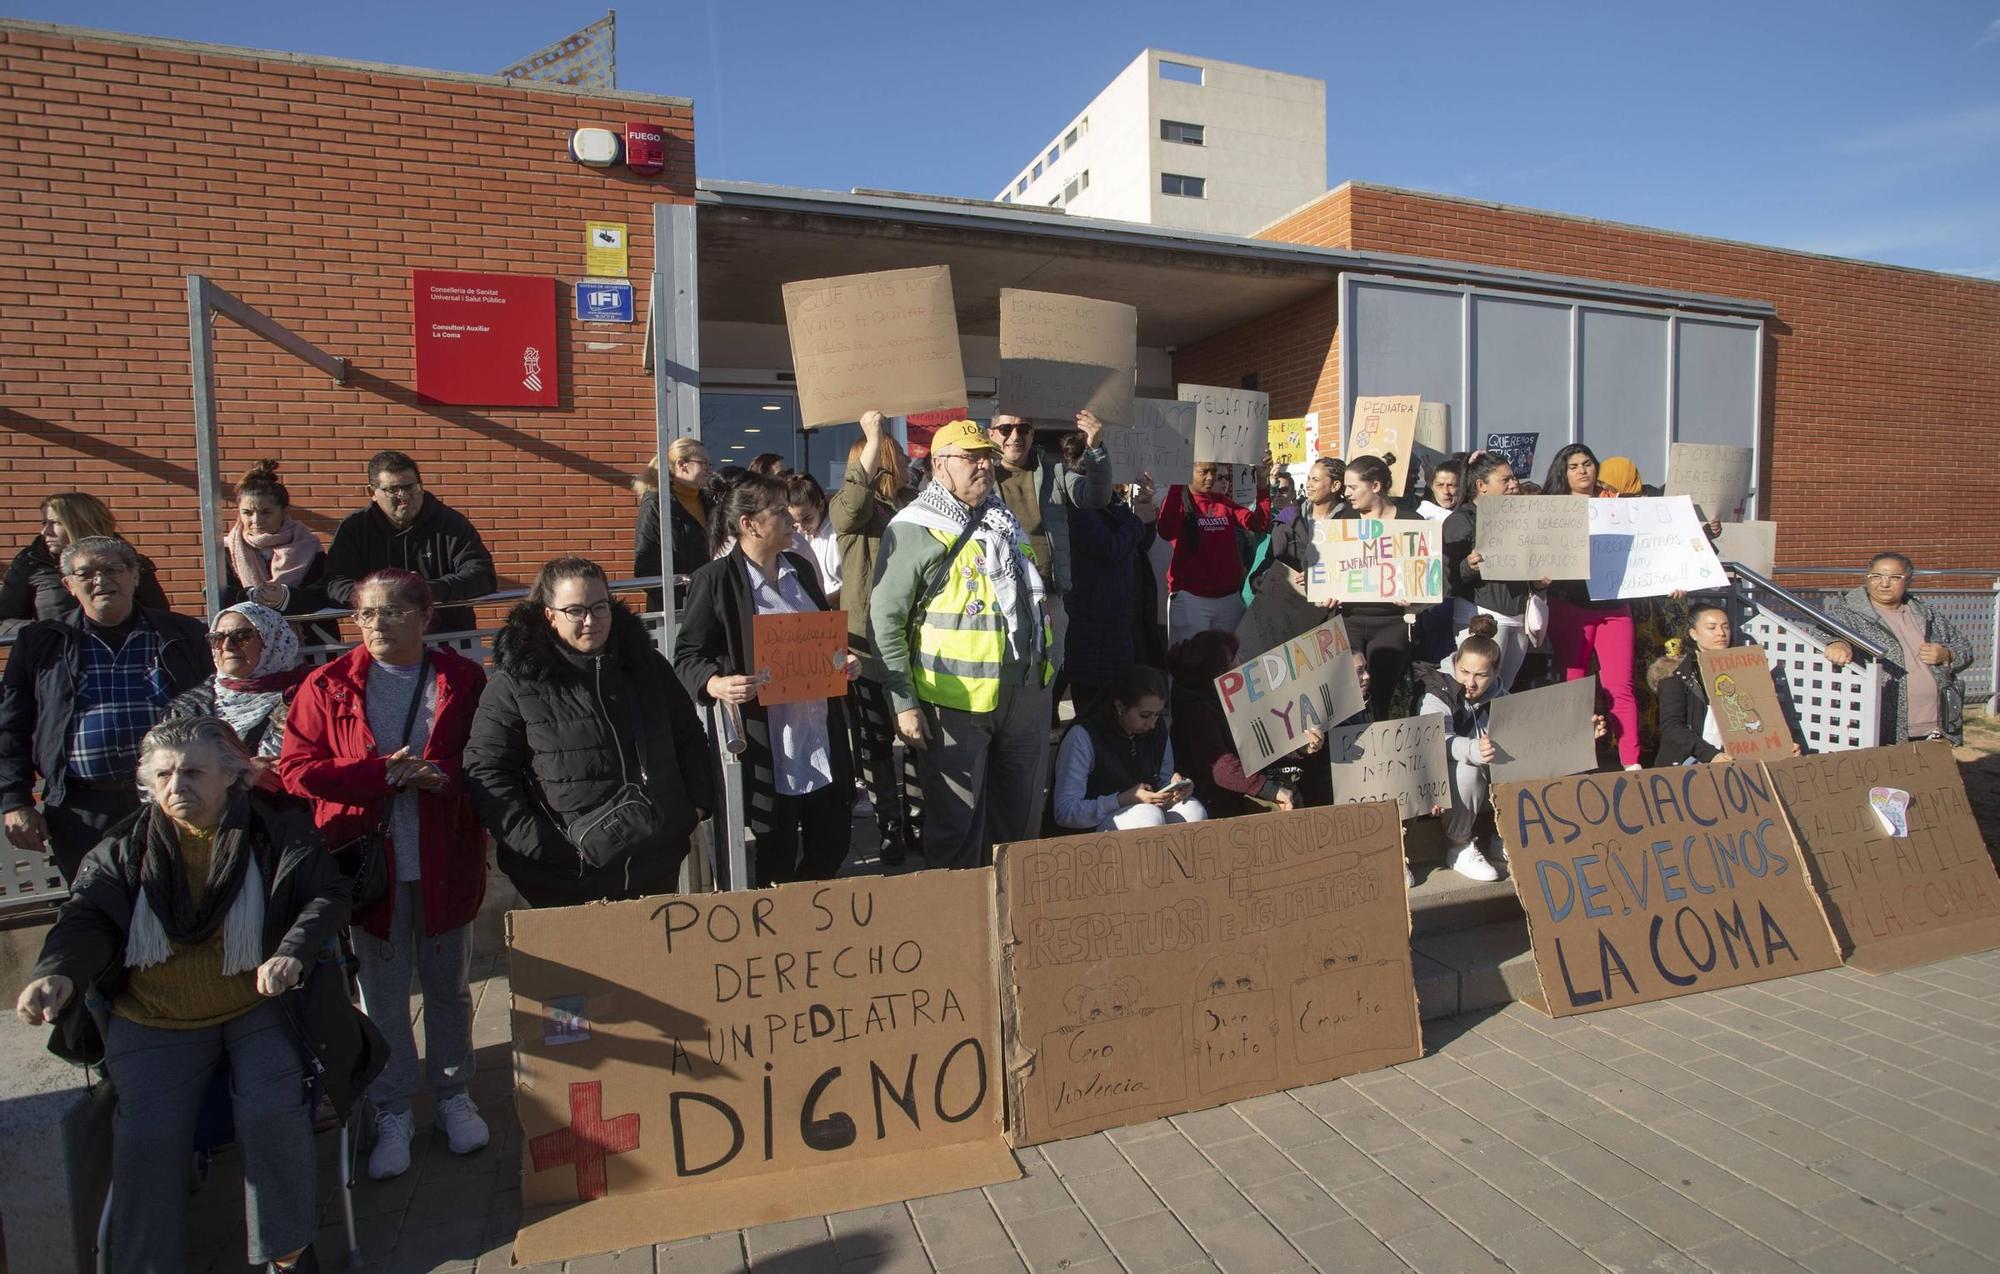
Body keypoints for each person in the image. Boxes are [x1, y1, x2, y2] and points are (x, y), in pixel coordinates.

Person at [15, 715, 356, 1274]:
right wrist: (58, 973)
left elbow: (326, 895)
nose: (178, 787)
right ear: (148, 782)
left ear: (232, 777)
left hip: (256, 1004)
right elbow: (85, 917)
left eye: (194, 772)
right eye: (165, 774)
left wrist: (291, 949)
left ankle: (287, 1255)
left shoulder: (277, 832)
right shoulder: (123, 848)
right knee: (147, 1136)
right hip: (156, 1016)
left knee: (272, 1114)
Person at [278, 568, 489, 1181]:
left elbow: (488, 756)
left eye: (393, 611)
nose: (377, 623)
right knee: (384, 993)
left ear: (425, 617)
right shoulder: (329, 684)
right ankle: (392, 1106)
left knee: (448, 984)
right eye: (367, 613)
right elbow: (297, 769)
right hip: (369, 865)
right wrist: (378, 775)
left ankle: (454, 1093)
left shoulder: (461, 678)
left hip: (444, 856)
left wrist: (440, 774)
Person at [468, 557, 717, 906]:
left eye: (600, 607)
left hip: (655, 864)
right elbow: (488, 770)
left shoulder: (648, 667)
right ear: (549, 614)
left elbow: (689, 736)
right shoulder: (514, 684)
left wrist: (694, 808)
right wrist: (540, 845)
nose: (590, 620)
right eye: (575, 610)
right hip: (563, 877)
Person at [870, 420, 1053, 870]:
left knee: (1020, 823)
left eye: (987, 456)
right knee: (957, 829)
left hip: (1024, 694)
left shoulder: (1002, 517)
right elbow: (885, 620)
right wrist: (903, 704)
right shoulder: (913, 526)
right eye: (971, 457)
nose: (984, 465)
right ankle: (961, 927)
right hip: (954, 703)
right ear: (938, 464)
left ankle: (1014, 921)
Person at [676, 475, 856, 885]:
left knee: (832, 844)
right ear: (749, 524)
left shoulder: (802, 570)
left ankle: (814, 913)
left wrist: (842, 661)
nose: (791, 517)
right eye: (778, 511)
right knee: (774, 856)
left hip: (820, 735)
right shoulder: (716, 580)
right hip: (771, 742)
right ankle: (783, 931)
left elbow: (822, 639)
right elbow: (687, 656)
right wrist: (715, 683)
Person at [0, 536, 212, 882]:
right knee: (95, 910)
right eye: (87, 573)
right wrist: (15, 801)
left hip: (172, 797)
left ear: (134, 576)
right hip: (81, 809)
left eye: (113, 569)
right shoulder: (41, 641)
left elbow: (217, 708)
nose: (101, 581)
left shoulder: (183, 634)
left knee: (182, 903)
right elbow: (11, 726)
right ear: (68, 584)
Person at [1419, 617, 1608, 882]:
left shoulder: (1502, 697)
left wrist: (1583, 736)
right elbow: (1436, 739)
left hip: (1490, 787)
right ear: (1455, 665)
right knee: (1467, 768)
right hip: (1451, 786)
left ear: (1495, 673)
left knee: (1523, 752)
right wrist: (1472, 748)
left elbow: (1539, 740)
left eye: (1481, 675)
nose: (1470, 683)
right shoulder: (1437, 694)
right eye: (1464, 672)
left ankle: (1503, 835)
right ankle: (1458, 846)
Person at [831, 412, 923, 865]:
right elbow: (850, 502)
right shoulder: (855, 514)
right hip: (867, 647)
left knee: (918, 735)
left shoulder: (915, 505)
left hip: (914, 642)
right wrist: (872, 436)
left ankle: (919, 818)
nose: (908, 459)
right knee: (876, 742)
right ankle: (890, 825)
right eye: (899, 452)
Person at [988, 409, 1113, 676]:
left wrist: (1096, 448)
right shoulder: (981, 476)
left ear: (1032, 435)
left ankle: (1044, 718)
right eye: (1005, 429)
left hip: (1048, 594)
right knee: (1003, 676)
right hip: (997, 595)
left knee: (1048, 676)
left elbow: (1095, 497)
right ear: (991, 435)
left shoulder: (1054, 471)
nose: (1015, 436)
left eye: (1023, 429)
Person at [1540, 443, 1641, 769]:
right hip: (1570, 606)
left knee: (1620, 687)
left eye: (1587, 463)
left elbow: (1648, 549)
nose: (1582, 470)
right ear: (1562, 472)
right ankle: (1576, 761)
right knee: (1574, 687)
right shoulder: (1550, 507)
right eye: (1574, 466)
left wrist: (1670, 581)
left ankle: (1632, 764)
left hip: (1614, 607)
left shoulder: (1616, 504)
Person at [323, 451, 496, 635]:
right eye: (393, 489)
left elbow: (482, 576)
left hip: (448, 639)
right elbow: (334, 583)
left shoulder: (450, 523)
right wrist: (382, 595)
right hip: (384, 640)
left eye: (410, 487)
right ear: (372, 492)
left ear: (420, 485)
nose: (403, 496)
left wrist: (427, 590)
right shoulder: (355, 528)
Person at [1821, 553, 1976, 744]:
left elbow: (1965, 649)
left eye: (1895, 577)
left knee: (1933, 773)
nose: (1884, 584)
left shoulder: (1927, 614)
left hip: (1936, 724)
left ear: (1909, 581)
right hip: (1882, 725)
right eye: (1876, 576)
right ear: (1867, 578)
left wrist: (1948, 654)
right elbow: (1823, 633)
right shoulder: (1847, 614)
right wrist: (1836, 643)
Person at [1062, 439, 1156, 718]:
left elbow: (1138, 544)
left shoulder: (1113, 501)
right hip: (1091, 620)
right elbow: (1109, 548)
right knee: (1092, 709)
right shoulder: (1078, 503)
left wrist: (1144, 507)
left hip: (1118, 619)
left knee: (1115, 706)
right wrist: (1137, 521)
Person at [1052, 664, 1205, 832]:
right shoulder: (1083, 736)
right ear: (1120, 707)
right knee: (1149, 817)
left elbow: (1163, 778)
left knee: (1193, 811)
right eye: (1144, 715)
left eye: (1158, 714)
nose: (1152, 723)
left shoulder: (1157, 729)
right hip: (1093, 826)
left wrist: (1175, 785)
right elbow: (1065, 811)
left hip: (1144, 809)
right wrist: (1122, 800)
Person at [1167, 630, 1298, 819]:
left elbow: (1262, 745)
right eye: (1235, 657)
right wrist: (1271, 791)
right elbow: (1222, 769)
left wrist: (1301, 749)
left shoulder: (1223, 700)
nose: (1241, 660)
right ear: (1219, 670)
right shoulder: (1197, 712)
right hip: (1217, 801)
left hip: (1238, 788)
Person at [1, 491, 169, 635]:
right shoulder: (31, 564)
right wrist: (50, 630)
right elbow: (4, 621)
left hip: (123, 657)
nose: (45, 531)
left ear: (81, 523)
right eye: (45, 523)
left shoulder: (127, 561)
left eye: (56, 523)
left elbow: (158, 616)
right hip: (58, 660)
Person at [166, 602, 309, 768]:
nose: (227, 646)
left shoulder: (309, 696)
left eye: (242, 636)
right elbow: (173, 769)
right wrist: (242, 771)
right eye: (217, 638)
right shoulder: (188, 709)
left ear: (271, 640)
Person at [1442, 453, 1538, 692]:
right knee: (1474, 688)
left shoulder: (1521, 518)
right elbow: (1448, 578)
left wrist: (1541, 582)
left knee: (1502, 690)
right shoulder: (1461, 520)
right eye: (1505, 480)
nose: (1514, 484)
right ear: (1481, 486)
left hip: (1518, 616)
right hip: (1481, 616)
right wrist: (1468, 567)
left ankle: (1490, 731)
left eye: (1514, 478)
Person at [1333, 456, 1413, 720]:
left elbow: (1434, 578)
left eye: (1353, 487)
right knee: (1347, 693)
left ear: (1376, 486)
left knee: (1381, 695)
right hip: (1349, 620)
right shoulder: (1342, 521)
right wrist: (1325, 589)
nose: (1346, 494)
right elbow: (1327, 566)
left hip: (1392, 624)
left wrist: (1416, 597)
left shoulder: (1413, 523)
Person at [1159, 459, 1272, 642]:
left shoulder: (1223, 502)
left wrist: (1262, 483)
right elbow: (1166, 531)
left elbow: (1259, 524)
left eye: (1213, 472)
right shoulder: (1177, 501)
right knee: (1192, 665)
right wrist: (1176, 486)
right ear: (1188, 472)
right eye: (1204, 472)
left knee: (1229, 663)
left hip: (1228, 599)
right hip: (1191, 600)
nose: (1210, 477)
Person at [223, 460, 329, 619]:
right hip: (248, 637)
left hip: (308, 637)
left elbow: (323, 592)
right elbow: (220, 595)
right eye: (247, 512)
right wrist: (252, 595)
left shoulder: (308, 545)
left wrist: (286, 597)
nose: (256, 520)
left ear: (284, 511)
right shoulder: (227, 549)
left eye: (266, 512)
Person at [634, 439, 715, 611]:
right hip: (678, 611)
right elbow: (646, 565)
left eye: (710, 463)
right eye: (703, 463)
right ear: (682, 464)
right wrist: (681, 597)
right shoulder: (657, 503)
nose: (710, 469)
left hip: (710, 602)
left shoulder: (709, 503)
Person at [786, 472, 842, 605]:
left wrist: (824, 602)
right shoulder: (799, 536)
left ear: (821, 506)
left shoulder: (837, 532)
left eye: (807, 519)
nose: (801, 527)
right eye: (795, 521)